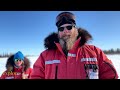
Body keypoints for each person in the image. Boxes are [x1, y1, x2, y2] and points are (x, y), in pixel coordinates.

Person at [30, 12, 118, 79]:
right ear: (58, 33)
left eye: (69, 27)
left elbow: (110, 75)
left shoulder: (95, 52)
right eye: (61, 28)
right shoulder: (44, 56)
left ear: (75, 29)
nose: (65, 31)